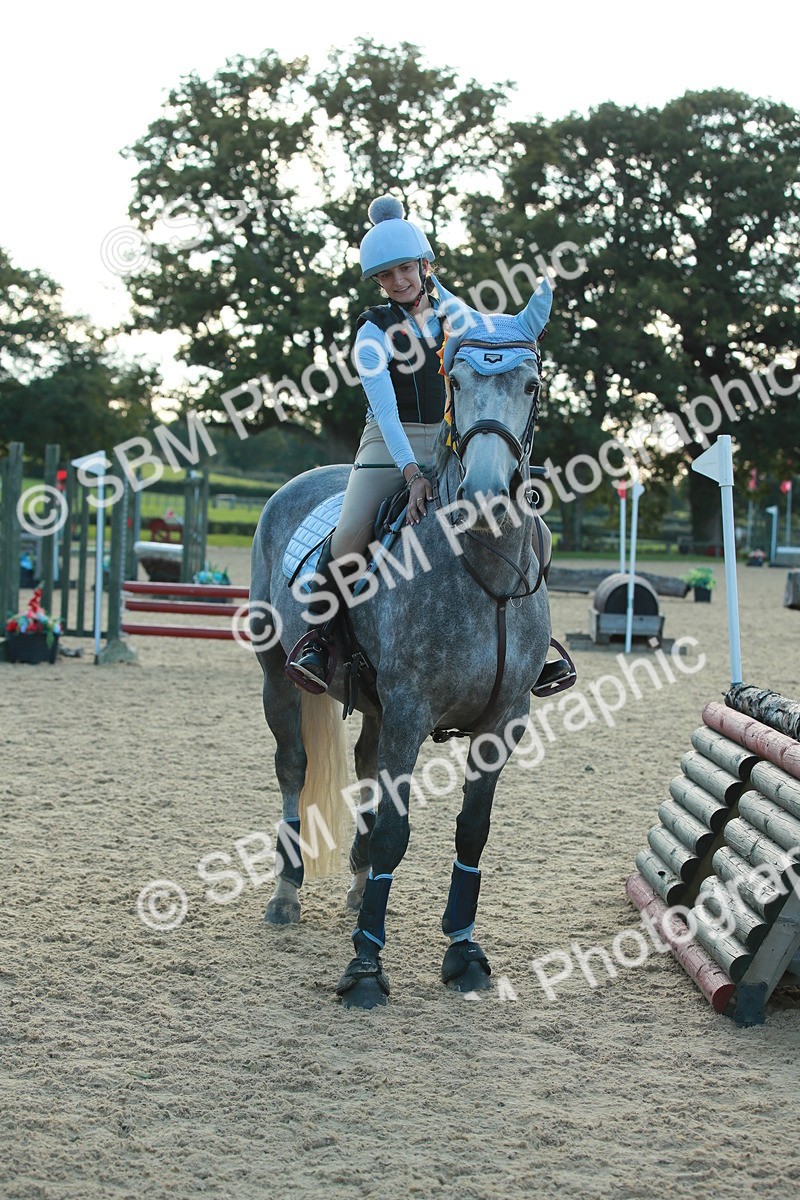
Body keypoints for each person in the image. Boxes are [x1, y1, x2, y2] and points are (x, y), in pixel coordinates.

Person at [287, 195, 569, 692]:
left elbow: (494, 353)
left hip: (450, 437)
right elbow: (387, 411)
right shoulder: (373, 331)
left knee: (536, 533)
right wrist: (413, 474)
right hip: (387, 441)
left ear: (424, 263)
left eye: (405, 269)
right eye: (386, 275)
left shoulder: (456, 314)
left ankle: (534, 643)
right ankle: (321, 637)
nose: (398, 281)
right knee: (351, 534)